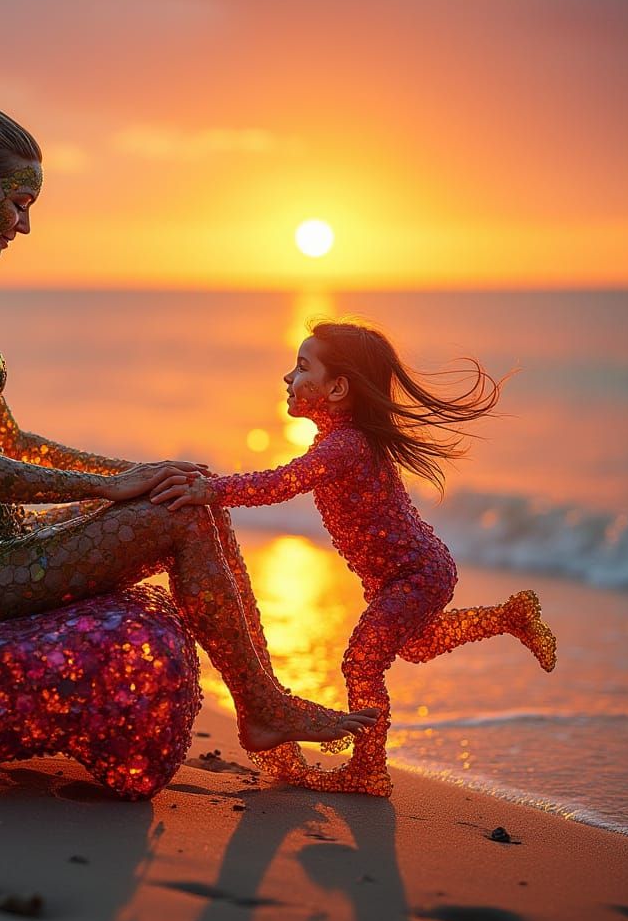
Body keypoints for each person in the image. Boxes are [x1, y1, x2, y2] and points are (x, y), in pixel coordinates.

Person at [0, 69, 379, 758]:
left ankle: (263, 701)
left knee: (189, 492)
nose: (25, 225)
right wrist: (106, 488)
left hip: (0, 540)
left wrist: (136, 472)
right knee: (182, 514)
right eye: (19, 203)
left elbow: (11, 439)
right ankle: (263, 707)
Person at [151, 321, 557, 796]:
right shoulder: (342, 443)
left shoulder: (344, 446)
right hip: (413, 572)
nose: (288, 378)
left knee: (362, 663)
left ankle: (369, 768)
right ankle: (509, 616)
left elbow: (280, 484)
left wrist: (210, 489)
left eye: (302, 367)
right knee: (416, 646)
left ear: (338, 387)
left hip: (413, 574)